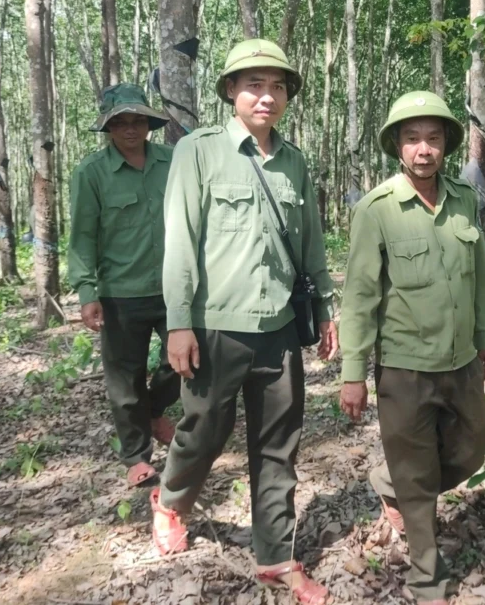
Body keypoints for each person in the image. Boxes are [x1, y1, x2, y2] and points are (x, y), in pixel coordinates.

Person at [152, 38, 337, 605]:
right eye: (254, 84)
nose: (267, 96)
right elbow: (180, 241)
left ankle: (275, 558)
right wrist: (179, 322)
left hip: (279, 327)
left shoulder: (295, 159)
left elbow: (310, 245)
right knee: (203, 431)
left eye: (277, 86)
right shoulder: (199, 152)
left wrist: (326, 307)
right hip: (215, 326)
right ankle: (173, 501)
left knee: (279, 445)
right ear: (231, 91)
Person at [337, 91, 485, 605]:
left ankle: (394, 482)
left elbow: (481, 280)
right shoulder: (376, 210)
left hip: (461, 362)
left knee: (472, 449)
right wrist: (352, 372)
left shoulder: (464, 199)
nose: (423, 149)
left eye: (432, 138)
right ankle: (426, 579)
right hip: (403, 369)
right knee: (418, 477)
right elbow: (359, 296)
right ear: (397, 147)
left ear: (446, 145)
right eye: (412, 139)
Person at [68, 83, 181, 488]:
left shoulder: (174, 161)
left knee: (183, 363)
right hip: (120, 293)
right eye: (121, 122)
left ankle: (154, 412)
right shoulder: (91, 173)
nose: (131, 129)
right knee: (124, 378)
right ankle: (136, 456)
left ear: (149, 124)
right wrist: (86, 292)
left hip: (175, 288)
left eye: (138, 121)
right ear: (108, 127)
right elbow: (82, 235)